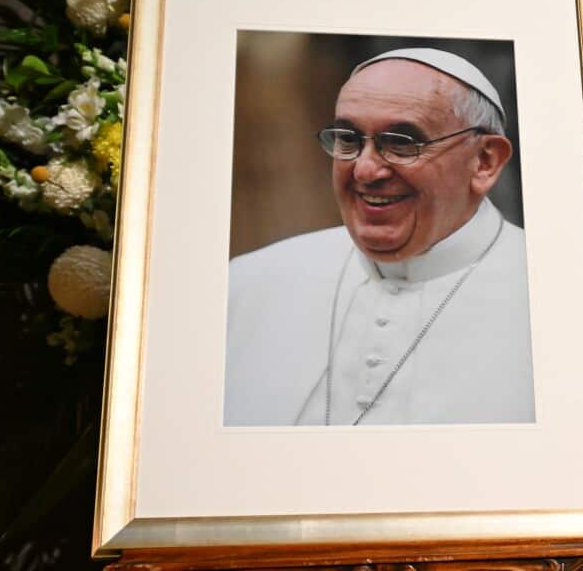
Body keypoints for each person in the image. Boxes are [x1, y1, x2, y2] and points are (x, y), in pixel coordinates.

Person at [224, 48, 534, 426]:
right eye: (348, 139)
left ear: (484, 161)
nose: (366, 170)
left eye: (402, 142)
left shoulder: (552, 300)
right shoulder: (247, 283)